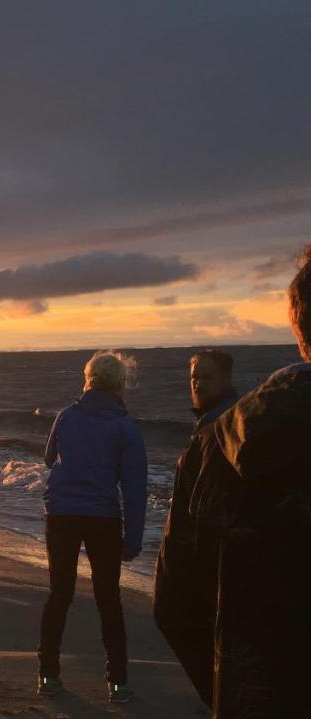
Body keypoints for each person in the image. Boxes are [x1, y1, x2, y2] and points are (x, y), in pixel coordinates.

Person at [174, 245, 311, 717]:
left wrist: (226, 682)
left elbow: (176, 598)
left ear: (297, 323)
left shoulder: (217, 441)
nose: (196, 383)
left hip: (260, 685)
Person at [37, 351, 146, 704]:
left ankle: (48, 675)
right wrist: (133, 540)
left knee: (60, 593)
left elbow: (48, 458)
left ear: (88, 380)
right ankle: (119, 682)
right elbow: (134, 489)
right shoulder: (125, 428)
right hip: (103, 517)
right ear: (119, 384)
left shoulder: (66, 417)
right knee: (108, 599)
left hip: (62, 514)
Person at [153, 349, 241, 706]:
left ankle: (224, 701)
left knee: (178, 619)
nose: (198, 383)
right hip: (201, 552)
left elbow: (209, 503)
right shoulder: (217, 420)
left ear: (225, 380)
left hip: (200, 554)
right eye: (194, 377)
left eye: (206, 377)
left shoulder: (220, 425)